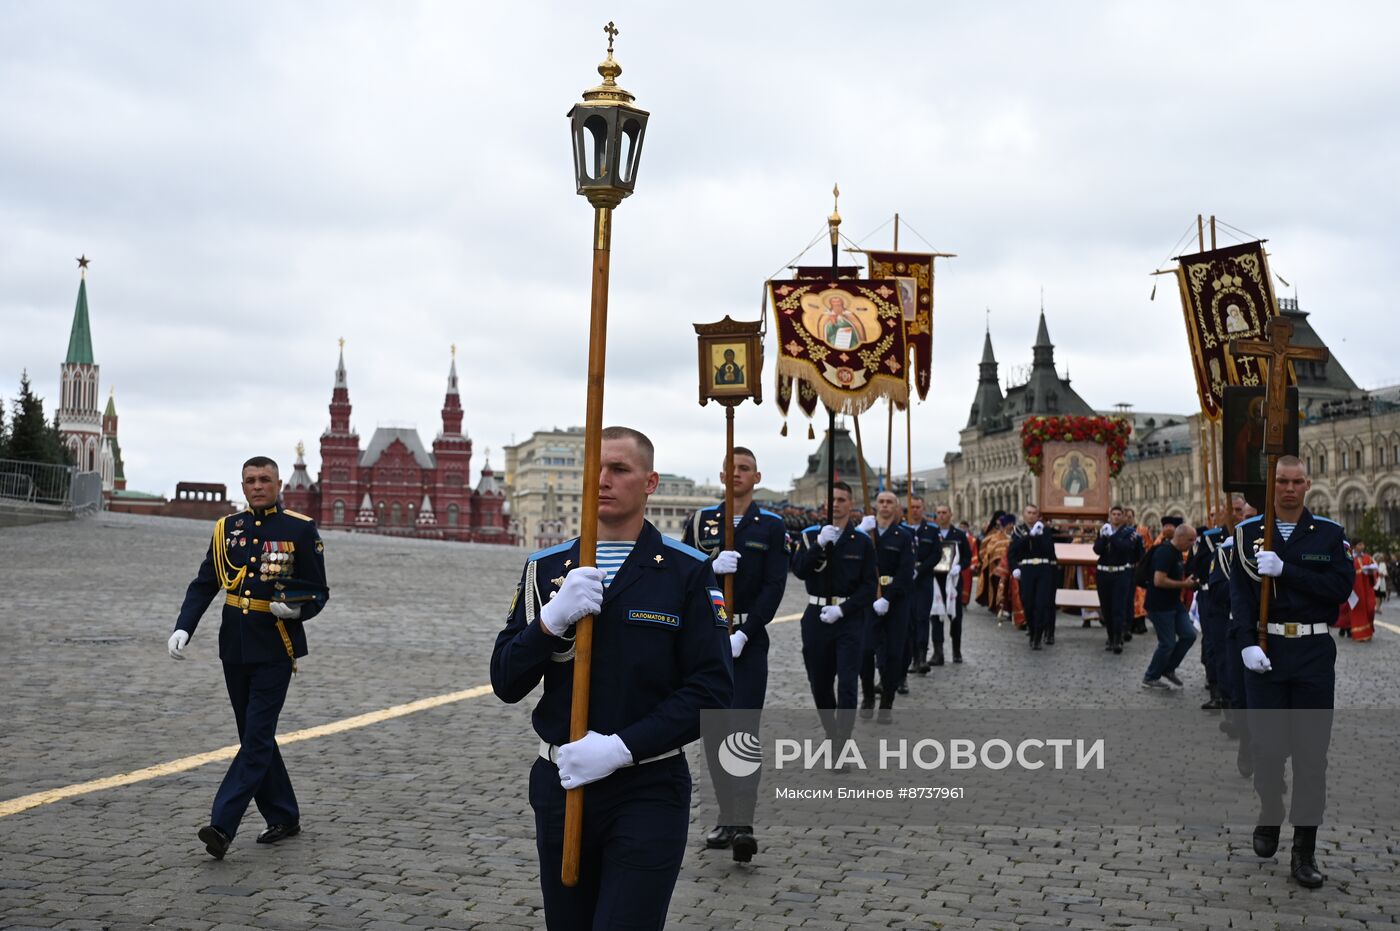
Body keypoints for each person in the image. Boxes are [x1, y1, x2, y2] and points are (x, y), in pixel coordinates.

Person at [490, 427, 733, 928]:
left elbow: (710, 690)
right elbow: (505, 680)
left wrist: (622, 747)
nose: (601, 480)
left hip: (646, 785)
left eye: (619, 469)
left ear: (650, 482)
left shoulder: (685, 572)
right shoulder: (547, 568)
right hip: (562, 783)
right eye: (593, 469)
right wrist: (549, 623)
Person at [167, 456, 329, 860]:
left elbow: (318, 590)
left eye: (265, 480)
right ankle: (285, 814)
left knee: (255, 739)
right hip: (234, 647)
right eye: (250, 480)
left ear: (278, 483)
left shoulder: (300, 528)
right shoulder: (228, 529)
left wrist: (299, 611)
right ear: (242, 486)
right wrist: (184, 626)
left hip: (276, 645)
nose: (257, 486)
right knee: (254, 738)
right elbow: (205, 583)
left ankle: (222, 825)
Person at [1229, 455, 1354, 888]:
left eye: (1297, 481)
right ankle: (1270, 810)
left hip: (1313, 653)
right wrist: (1245, 642)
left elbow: (1340, 589)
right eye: (1282, 481)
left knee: (1310, 756)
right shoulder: (1247, 535)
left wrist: (1288, 570)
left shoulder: (1330, 534)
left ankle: (1304, 850)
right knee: (1266, 748)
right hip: (1266, 651)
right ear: (1272, 484)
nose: (1289, 488)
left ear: (1308, 485)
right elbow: (1241, 597)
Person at [683, 446, 789, 861]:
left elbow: (774, 586)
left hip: (748, 638)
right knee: (714, 733)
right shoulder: (701, 521)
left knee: (742, 733)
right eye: (732, 468)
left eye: (746, 468)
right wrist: (710, 563)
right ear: (724, 475)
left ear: (756, 477)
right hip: (709, 639)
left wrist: (746, 631)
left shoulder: (772, 526)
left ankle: (743, 823)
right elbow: (682, 573)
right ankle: (726, 816)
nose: (738, 474)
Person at [791, 481, 877, 744]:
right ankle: (831, 730)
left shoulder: (861, 541)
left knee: (848, 683)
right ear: (824, 505)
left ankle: (842, 740)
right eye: (832, 500)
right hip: (816, 616)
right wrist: (818, 544)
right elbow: (799, 570)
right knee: (820, 682)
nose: (836, 504)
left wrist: (843, 609)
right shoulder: (808, 536)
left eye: (842, 499)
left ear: (851, 505)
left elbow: (869, 586)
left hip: (849, 618)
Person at [859, 491, 914, 722]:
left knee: (893, 654)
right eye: (880, 502)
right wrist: (859, 532)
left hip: (896, 600)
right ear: (875, 506)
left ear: (896, 507)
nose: (884, 505)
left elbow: (905, 572)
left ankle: (887, 703)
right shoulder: (864, 534)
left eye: (889, 502)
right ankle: (869, 695)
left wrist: (888, 598)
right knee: (864, 651)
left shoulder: (903, 537)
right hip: (869, 599)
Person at [1141, 524, 1198, 691]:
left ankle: (1168, 668)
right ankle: (1151, 676)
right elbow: (1159, 580)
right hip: (1159, 605)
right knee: (1167, 643)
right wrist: (1184, 584)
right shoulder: (1164, 552)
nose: (1192, 543)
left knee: (1189, 635)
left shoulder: (1177, 552)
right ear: (1179, 537)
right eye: (1190, 540)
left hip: (1174, 603)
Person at [1093, 504, 1144, 654]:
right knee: (1106, 608)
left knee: (1118, 607)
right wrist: (1103, 537)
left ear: (1122, 517)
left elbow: (1125, 548)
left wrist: (1112, 537)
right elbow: (1097, 550)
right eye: (1113, 514)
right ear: (1109, 517)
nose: (1115, 517)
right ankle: (1110, 636)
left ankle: (1117, 639)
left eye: (1118, 514)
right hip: (1103, 573)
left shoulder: (1129, 533)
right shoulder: (1103, 531)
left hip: (1121, 573)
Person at [1007, 504, 1057, 650]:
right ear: (1024, 514)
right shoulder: (1018, 531)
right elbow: (1012, 551)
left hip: (1043, 568)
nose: (1031, 515)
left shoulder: (1045, 530)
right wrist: (1014, 568)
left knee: (1041, 603)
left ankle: (1037, 637)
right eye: (1028, 512)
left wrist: (1039, 536)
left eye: (1034, 513)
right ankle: (1032, 629)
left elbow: (1049, 550)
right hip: (1027, 569)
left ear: (1038, 515)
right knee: (1028, 603)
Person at [929, 504, 973, 663]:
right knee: (935, 615)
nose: (941, 516)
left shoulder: (960, 535)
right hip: (935, 579)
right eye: (938, 513)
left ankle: (956, 650)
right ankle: (938, 652)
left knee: (955, 616)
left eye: (944, 512)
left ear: (950, 514)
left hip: (953, 581)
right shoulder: (931, 533)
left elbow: (968, 557)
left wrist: (960, 566)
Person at [904, 496, 941, 677]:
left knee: (922, 618)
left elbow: (936, 554)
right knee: (909, 619)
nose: (915, 510)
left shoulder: (931, 530)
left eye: (918, 507)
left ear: (923, 508)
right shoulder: (902, 529)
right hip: (906, 580)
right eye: (912, 507)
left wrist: (921, 568)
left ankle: (922, 657)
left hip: (924, 579)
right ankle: (911, 658)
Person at [1337, 540, 1376, 642]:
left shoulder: (1367, 557)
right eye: (1360, 544)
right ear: (1354, 546)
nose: (1362, 546)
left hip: (1366, 590)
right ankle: (1359, 633)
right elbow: (1344, 571)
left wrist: (1371, 572)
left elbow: (1374, 571)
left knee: (1370, 609)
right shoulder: (1349, 557)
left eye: (1363, 544)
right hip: (1354, 590)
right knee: (1357, 612)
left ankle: (1367, 631)